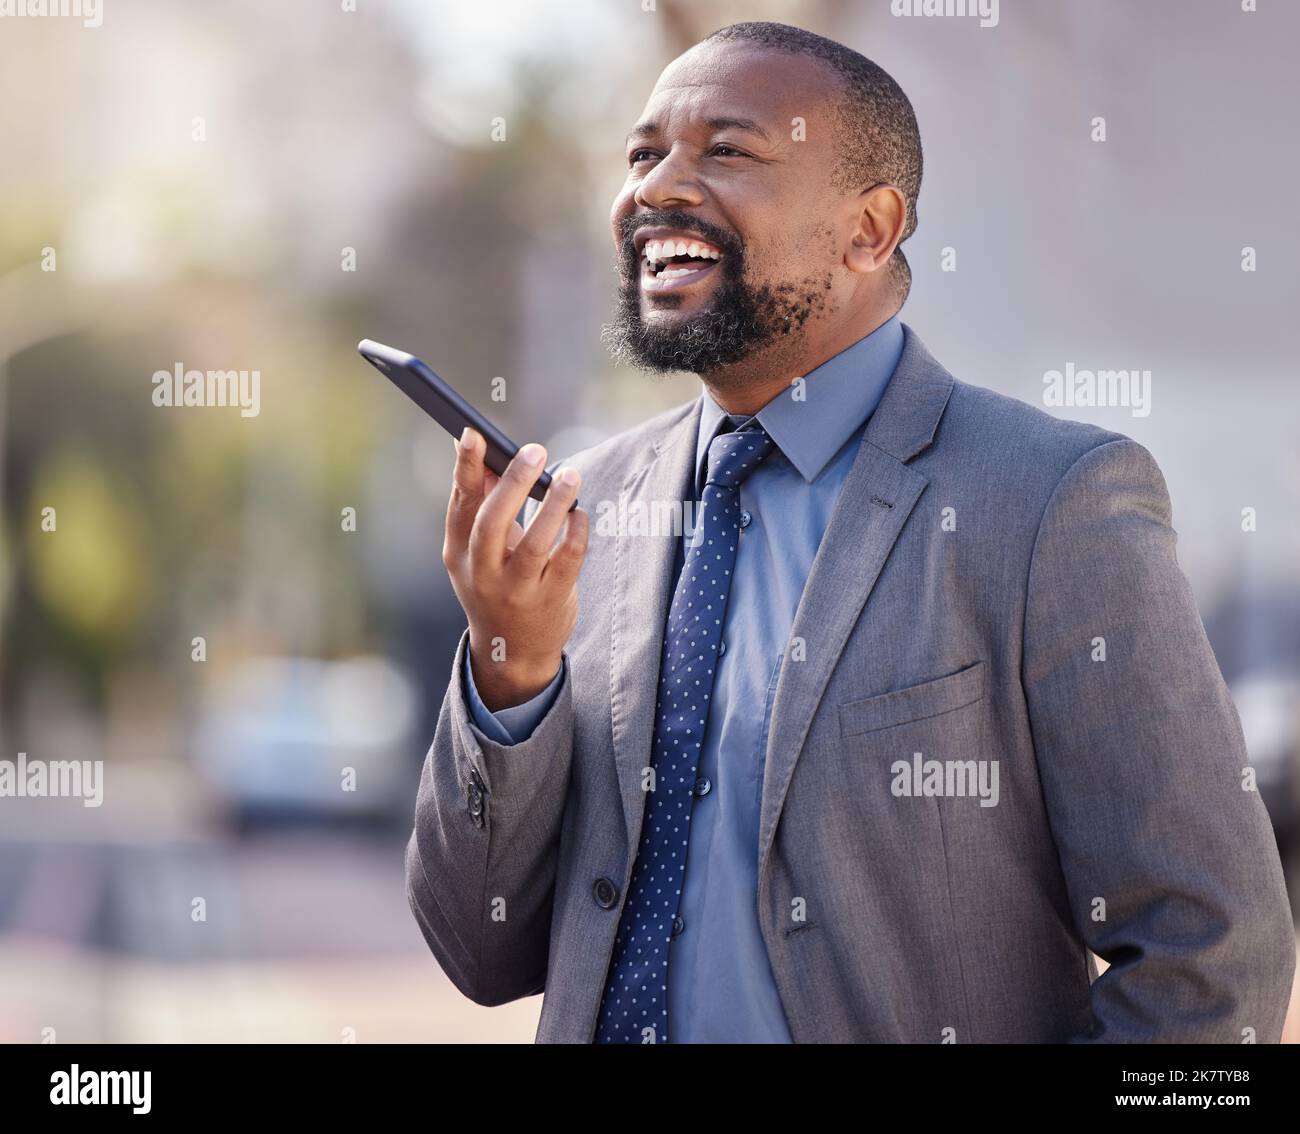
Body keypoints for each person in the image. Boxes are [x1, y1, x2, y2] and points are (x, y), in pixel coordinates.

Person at [406, 21, 1294, 1043]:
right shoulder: (585, 509)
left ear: (870, 228)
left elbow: (1212, 960)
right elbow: (481, 953)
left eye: (726, 151)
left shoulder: (1049, 503)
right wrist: (509, 666)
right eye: (644, 153)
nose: (656, 188)